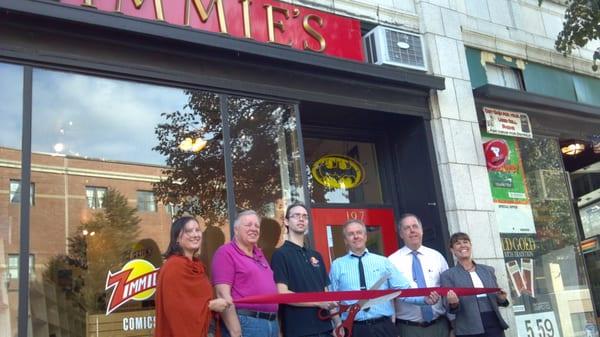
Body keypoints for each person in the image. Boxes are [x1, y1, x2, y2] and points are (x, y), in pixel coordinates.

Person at [329, 219, 440, 337]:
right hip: (353, 328)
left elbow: (404, 291)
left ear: (365, 236)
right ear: (346, 240)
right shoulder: (337, 265)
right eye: (351, 234)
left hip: (383, 327)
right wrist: (338, 324)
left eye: (359, 232)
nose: (356, 236)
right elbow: (331, 300)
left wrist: (424, 299)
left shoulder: (383, 262)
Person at [154, 216, 231, 337]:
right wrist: (211, 305)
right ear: (177, 239)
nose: (195, 235)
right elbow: (175, 310)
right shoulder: (173, 267)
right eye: (189, 231)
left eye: (197, 230)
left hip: (206, 330)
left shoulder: (198, 265)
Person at [271, 203, 337, 337]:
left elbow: (326, 294)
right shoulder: (280, 254)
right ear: (286, 221)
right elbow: (282, 293)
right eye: (296, 216)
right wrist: (318, 302)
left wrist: (337, 323)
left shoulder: (316, 255)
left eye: (304, 216)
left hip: (326, 328)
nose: (301, 219)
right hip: (299, 331)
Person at [212, 210, 279, 337]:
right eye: (248, 225)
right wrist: (235, 331)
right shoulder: (225, 253)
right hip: (247, 324)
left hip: (271, 323)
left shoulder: (259, 254)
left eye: (257, 226)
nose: (253, 228)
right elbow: (222, 294)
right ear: (236, 229)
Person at [388, 213, 449, 337]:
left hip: (440, 327)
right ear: (401, 234)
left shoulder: (437, 256)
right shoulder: (391, 261)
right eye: (407, 228)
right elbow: (389, 297)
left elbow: (447, 290)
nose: (412, 230)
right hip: (408, 329)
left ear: (421, 231)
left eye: (415, 226)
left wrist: (453, 324)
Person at [440, 232, 509, 337]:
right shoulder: (448, 275)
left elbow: (498, 300)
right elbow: (449, 307)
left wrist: (501, 298)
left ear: (470, 246)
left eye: (465, 242)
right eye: (458, 243)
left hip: (494, 324)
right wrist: (453, 303)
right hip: (468, 328)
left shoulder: (488, 270)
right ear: (452, 250)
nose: (463, 245)